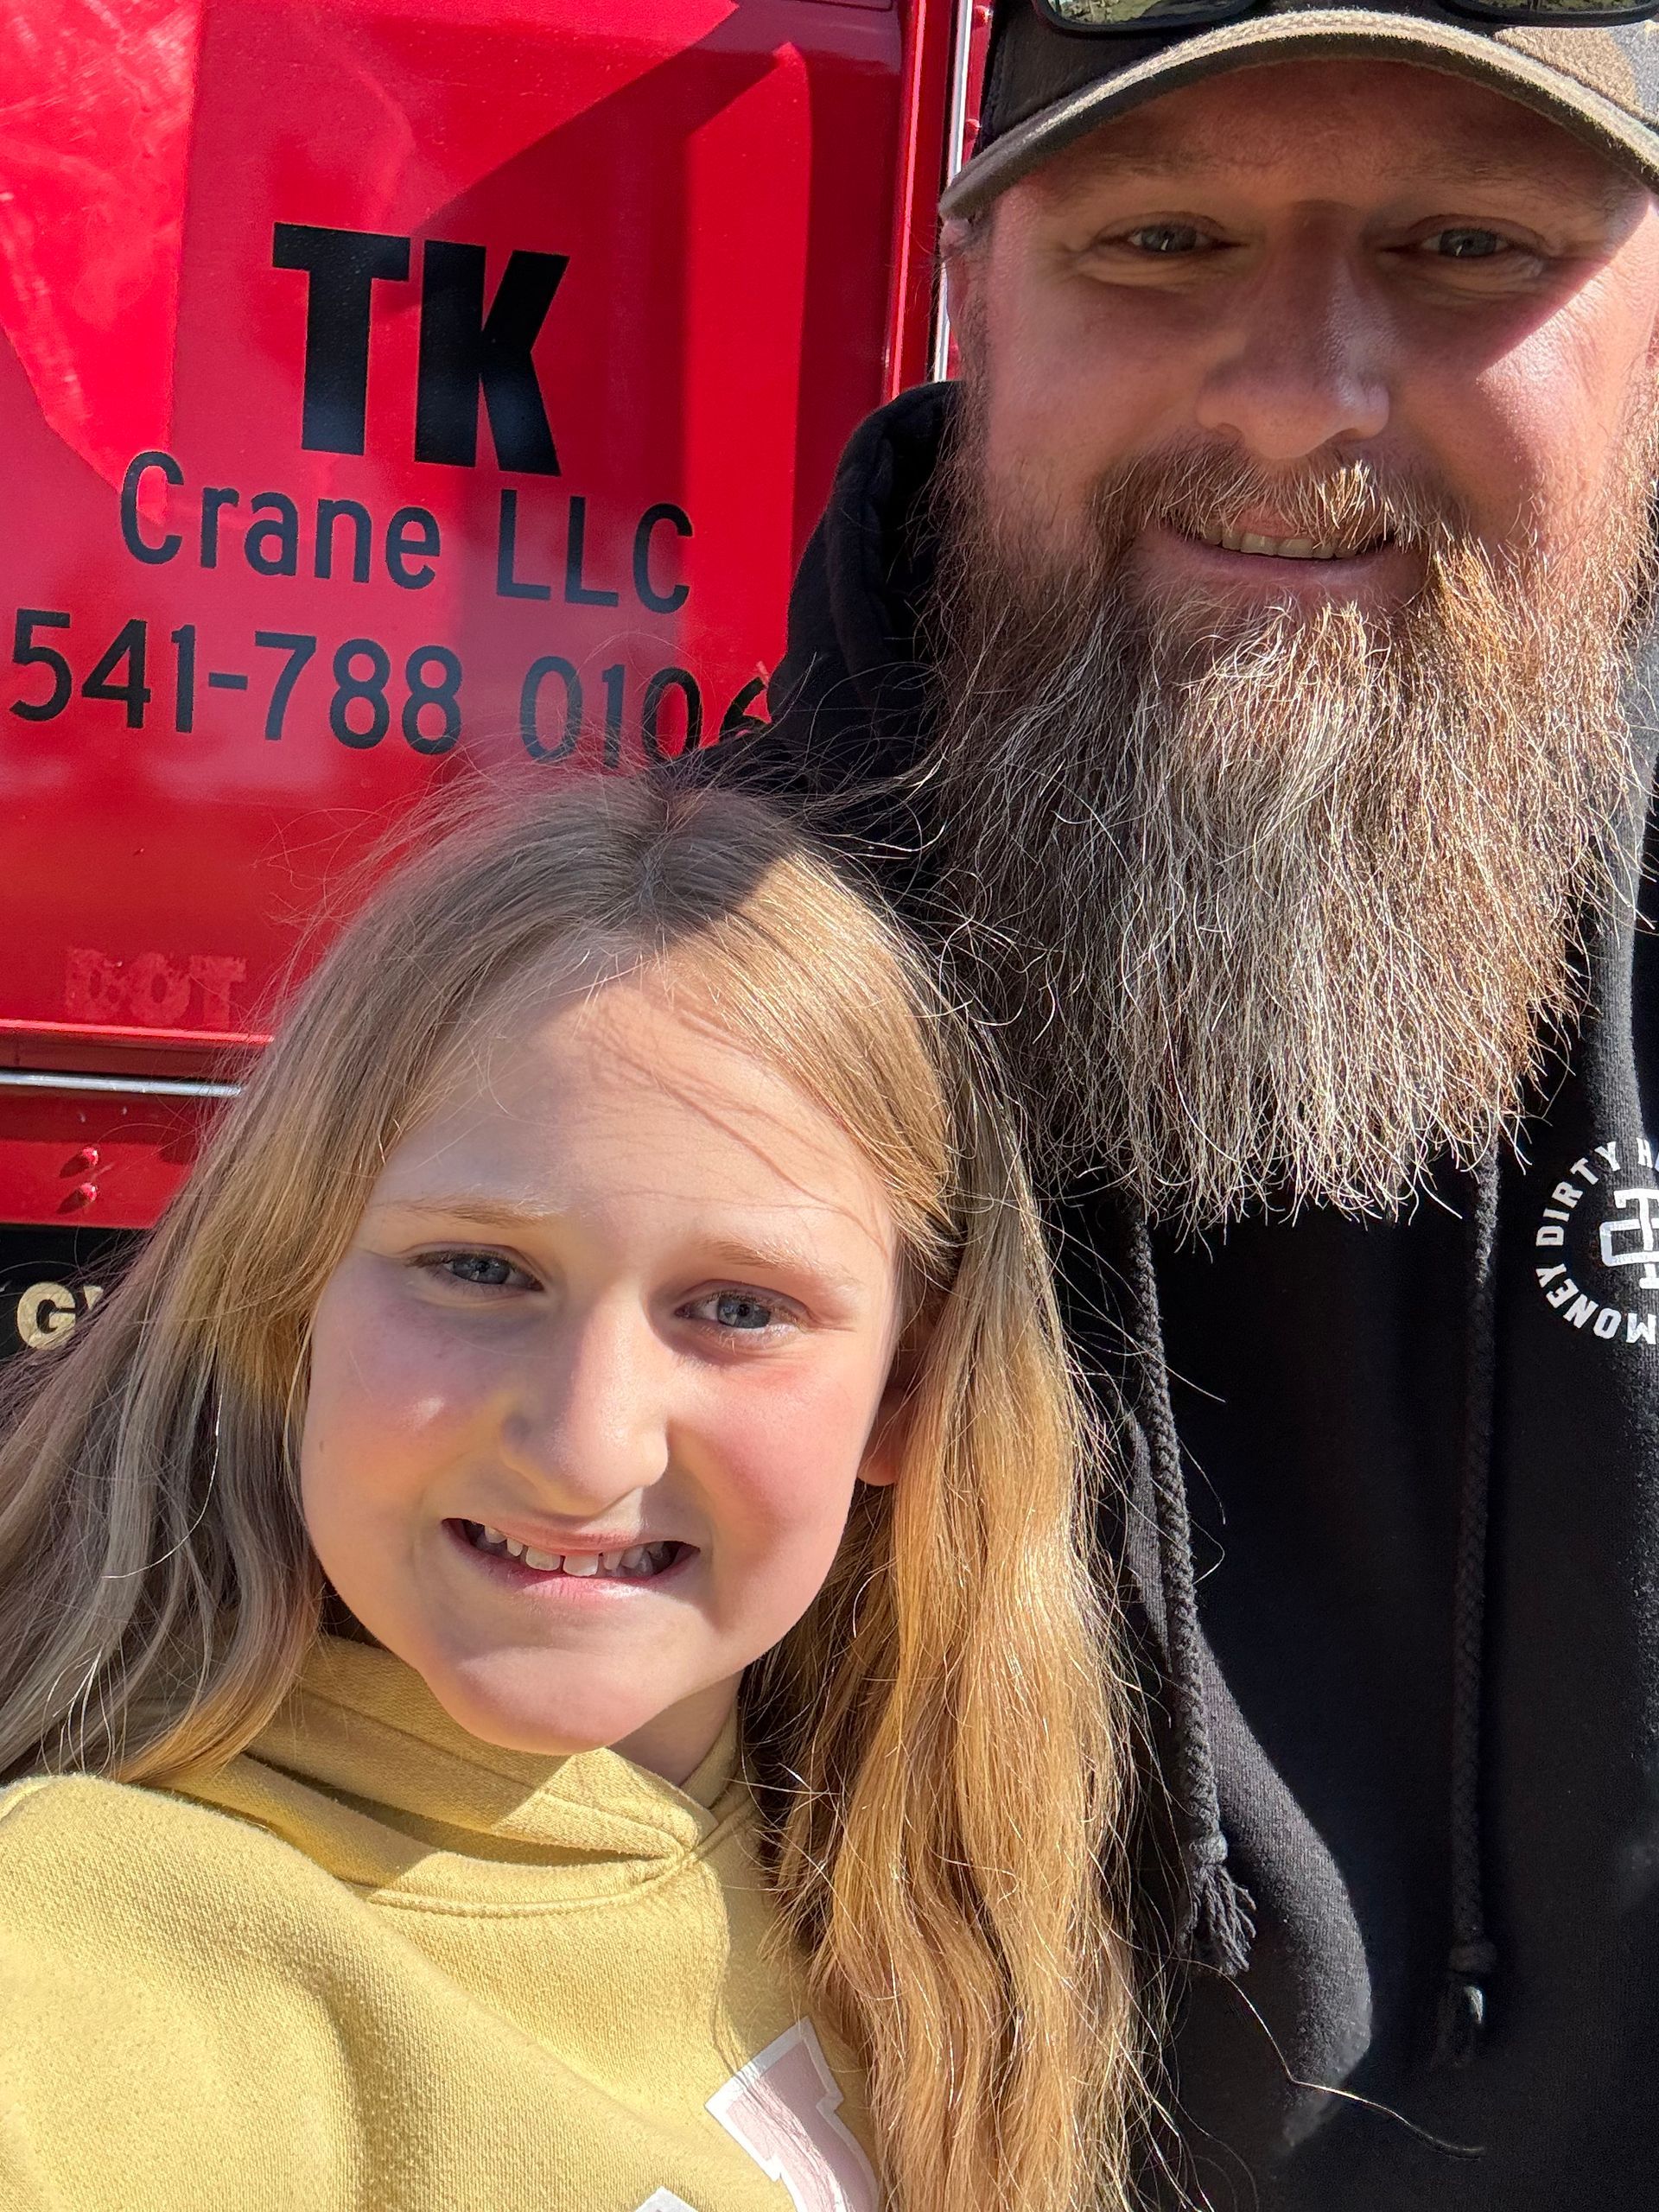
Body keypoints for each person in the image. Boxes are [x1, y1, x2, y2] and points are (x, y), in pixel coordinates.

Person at [709, 3, 1659, 2204]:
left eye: (1461, 246)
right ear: (975, 308)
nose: (1300, 389)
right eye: (1161, 239)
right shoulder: (642, 1042)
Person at [0, 778, 1139, 2212]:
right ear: (288, 1306)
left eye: (737, 1306)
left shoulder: (908, 1924)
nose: (589, 1448)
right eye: (479, 1270)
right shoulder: (78, 1971)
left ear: (907, 1394)